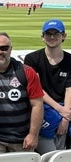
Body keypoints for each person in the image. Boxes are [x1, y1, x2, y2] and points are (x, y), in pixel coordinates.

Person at [0, 32, 43, 157]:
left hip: (22, 138)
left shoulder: (26, 72)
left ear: (11, 49)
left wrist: (33, 135)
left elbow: (37, 105)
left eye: (4, 48)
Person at [24, 19, 70, 154]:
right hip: (43, 106)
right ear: (42, 37)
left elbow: (69, 89)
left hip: (64, 108)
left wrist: (65, 117)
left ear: (64, 36)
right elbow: (37, 90)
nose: (52, 37)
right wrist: (60, 110)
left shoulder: (69, 60)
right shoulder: (32, 58)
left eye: (56, 34)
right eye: (48, 34)